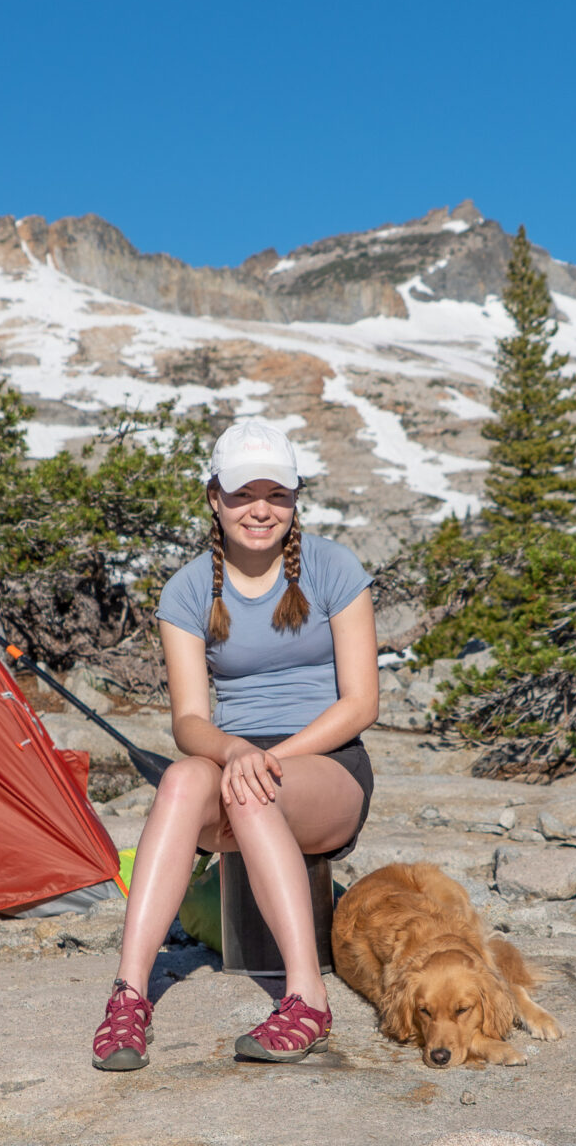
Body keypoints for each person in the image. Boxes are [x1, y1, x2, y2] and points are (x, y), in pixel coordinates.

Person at [91, 420, 378, 1070]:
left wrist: (271, 758)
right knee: (182, 780)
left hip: (327, 764)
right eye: (244, 493)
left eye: (276, 494)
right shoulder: (189, 590)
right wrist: (233, 752)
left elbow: (362, 703)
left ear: (295, 499)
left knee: (253, 796)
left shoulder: (334, 568)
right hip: (237, 760)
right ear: (213, 498)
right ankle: (129, 993)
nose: (260, 509)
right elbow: (189, 720)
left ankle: (307, 999)